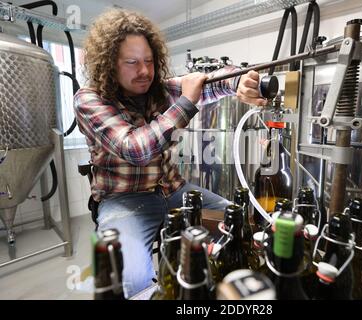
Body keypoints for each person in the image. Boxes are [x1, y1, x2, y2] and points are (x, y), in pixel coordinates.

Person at [74, 8, 267, 298]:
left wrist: (240, 82)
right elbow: (135, 148)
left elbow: (211, 82)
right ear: (109, 64)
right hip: (125, 201)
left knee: (239, 225)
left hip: (175, 191)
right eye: (132, 62)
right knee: (131, 276)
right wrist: (187, 102)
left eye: (149, 61)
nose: (144, 71)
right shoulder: (89, 100)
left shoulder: (158, 90)